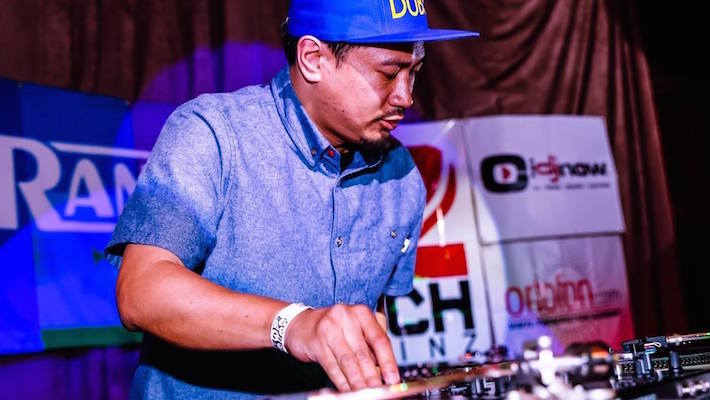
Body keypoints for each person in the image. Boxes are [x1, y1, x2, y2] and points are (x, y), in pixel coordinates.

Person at [105, 0, 478, 398]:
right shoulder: (214, 135)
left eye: (414, 72)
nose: (405, 97)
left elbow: (372, 316)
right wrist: (293, 325)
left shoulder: (400, 176)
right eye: (389, 74)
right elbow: (141, 291)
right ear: (313, 59)